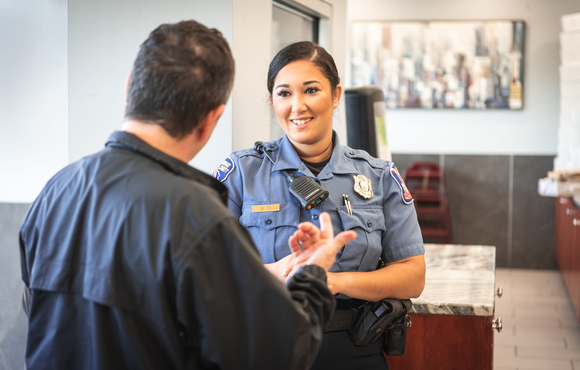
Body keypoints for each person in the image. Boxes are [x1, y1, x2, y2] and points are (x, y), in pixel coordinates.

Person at [18, 21, 357, 370]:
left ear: (129, 88)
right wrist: (313, 275)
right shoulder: (198, 215)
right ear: (212, 118)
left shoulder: (56, 190)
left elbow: (38, 308)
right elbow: (280, 352)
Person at [217, 41, 426, 369]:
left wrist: (332, 281)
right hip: (264, 346)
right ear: (272, 100)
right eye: (284, 93)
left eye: (311, 90)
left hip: (356, 347)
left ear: (336, 95)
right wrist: (280, 272)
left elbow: (412, 276)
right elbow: (211, 270)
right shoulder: (242, 173)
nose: (297, 106)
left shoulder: (379, 176)